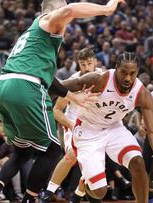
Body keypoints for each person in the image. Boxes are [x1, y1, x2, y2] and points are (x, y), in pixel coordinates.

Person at [0, 0, 124, 202]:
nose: (68, 19)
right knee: (52, 150)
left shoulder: (33, 35)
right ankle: (30, 199)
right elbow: (70, 9)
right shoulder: (49, 20)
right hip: (24, 88)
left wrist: (73, 96)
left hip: (2, 88)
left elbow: (49, 79)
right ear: (54, 10)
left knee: (23, 152)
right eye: (63, 10)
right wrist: (106, 9)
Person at [57, 52, 153, 203]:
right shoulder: (99, 79)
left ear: (137, 72)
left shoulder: (142, 94)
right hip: (88, 131)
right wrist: (39, 87)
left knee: (137, 162)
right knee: (100, 192)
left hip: (114, 128)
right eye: (123, 72)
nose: (128, 78)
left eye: (132, 73)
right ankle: (86, 185)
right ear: (116, 68)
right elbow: (62, 86)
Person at [41, 47, 103, 203]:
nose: (87, 68)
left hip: (95, 126)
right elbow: (56, 110)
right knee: (73, 155)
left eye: (89, 63)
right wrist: (71, 124)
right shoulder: (74, 82)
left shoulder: (104, 77)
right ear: (78, 65)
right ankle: (48, 193)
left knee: (91, 166)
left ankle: (77, 196)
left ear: (95, 62)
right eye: (83, 64)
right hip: (73, 122)